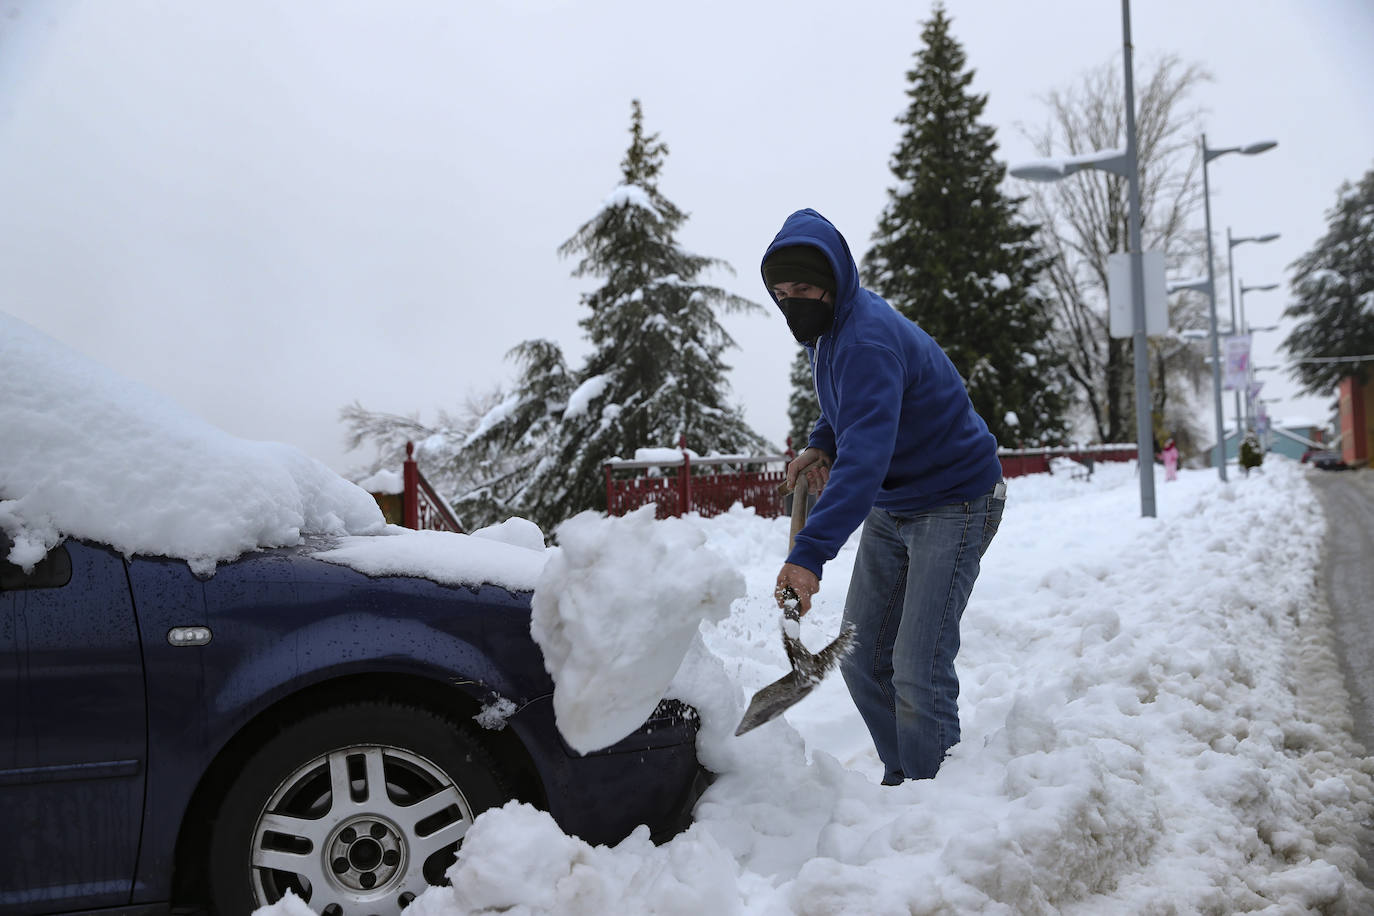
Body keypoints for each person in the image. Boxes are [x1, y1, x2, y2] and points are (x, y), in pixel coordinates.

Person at [762, 208, 1006, 783]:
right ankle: (908, 780)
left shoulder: (866, 339)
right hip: (897, 504)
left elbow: (866, 461)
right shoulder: (825, 333)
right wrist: (824, 441)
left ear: (833, 282)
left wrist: (808, 555)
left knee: (917, 666)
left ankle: (934, 795)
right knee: (865, 660)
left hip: (956, 501)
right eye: (780, 291)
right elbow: (848, 406)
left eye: (802, 287)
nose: (791, 300)